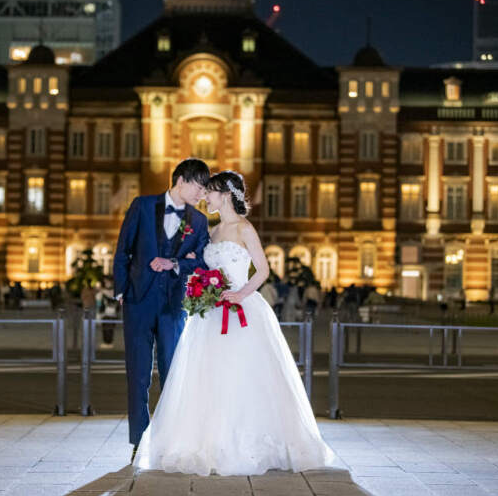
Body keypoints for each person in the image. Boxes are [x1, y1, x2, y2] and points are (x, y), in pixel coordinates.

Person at [134, 171, 338, 475]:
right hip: (211, 312)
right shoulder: (212, 231)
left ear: (226, 194)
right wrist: (199, 280)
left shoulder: (244, 228)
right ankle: (206, 439)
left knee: (243, 374)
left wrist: (240, 293)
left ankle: (252, 442)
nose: (205, 197)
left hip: (242, 310)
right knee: (207, 376)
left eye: (211, 193)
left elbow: (263, 271)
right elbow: (204, 266)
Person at [114, 158, 211, 460]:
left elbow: (205, 262)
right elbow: (123, 250)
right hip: (138, 302)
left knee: (172, 373)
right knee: (138, 374)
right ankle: (138, 441)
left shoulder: (199, 221)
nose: (202, 193)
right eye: (199, 186)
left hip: (173, 304)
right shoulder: (142, 206)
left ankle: (169, 441)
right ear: (181, 180)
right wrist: (121, 291)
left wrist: (177, 263)